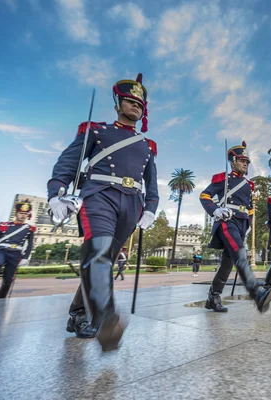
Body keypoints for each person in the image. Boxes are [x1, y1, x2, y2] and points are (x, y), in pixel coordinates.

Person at [47, 73, 159, 351]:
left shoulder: (146, 145)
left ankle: (78, 313)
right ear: (118, 103)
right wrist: (56, 193)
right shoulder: (96, 131)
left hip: (132, 204)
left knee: (104, 260)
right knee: (98, 251)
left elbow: (152, 183)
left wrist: (152, 208)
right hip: (98, 195)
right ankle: (105, 318)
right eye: (130, 101)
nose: (136, 106)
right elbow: (68, 163)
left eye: (140, 104)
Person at [199, 141, 271, 313]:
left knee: (228, 262)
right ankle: (256, 293)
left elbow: (250, 209)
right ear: (233, 161)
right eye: (242, 161)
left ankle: (213, 296)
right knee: (240, 254)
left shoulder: (249, 185)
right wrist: (216, 210)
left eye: (247, 162)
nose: (245, 164)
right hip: (227, 220)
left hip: (241, 224)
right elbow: (204, 195)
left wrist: (248, 225)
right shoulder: (223, 179)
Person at [0, 199, 35, 298]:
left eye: (25, 213)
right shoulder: (4, 225)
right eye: (21, 213)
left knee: (8, 278)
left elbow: (30, 244)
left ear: (27, 215)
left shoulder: (29, 229)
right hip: (0, 250)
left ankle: (1, 297)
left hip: (15, 254)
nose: (23, 215)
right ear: (16, 213)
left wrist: (25, 257)